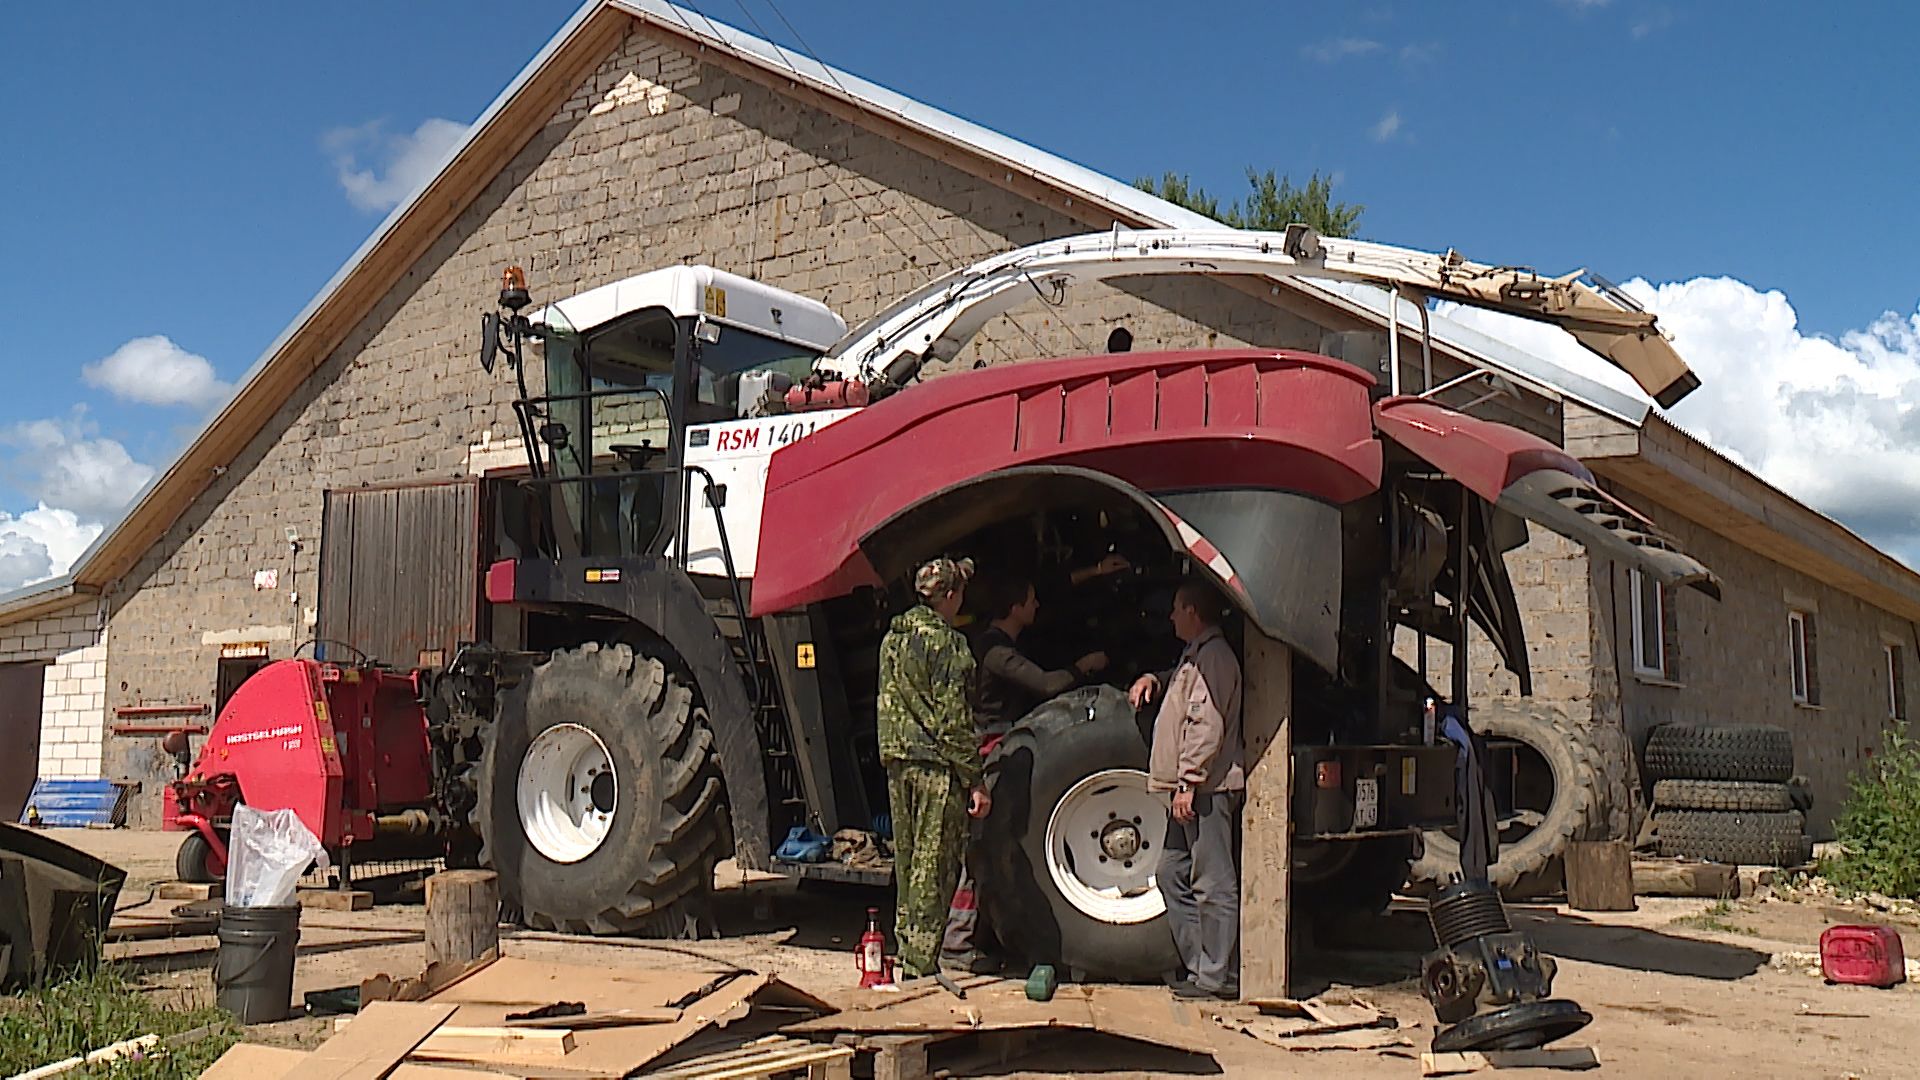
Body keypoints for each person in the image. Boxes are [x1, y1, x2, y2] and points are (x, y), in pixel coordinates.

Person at [940, 574, 1110, 971]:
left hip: (996, 744)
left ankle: (971, 939)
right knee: (978, 848)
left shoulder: (996, 645)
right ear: (1015, 607)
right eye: (1031, 599)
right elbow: (1046, 684)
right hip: (989, 747)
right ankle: (955, 945)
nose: (1036, 607)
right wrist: (1084, 666)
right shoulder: (996, 652)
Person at [877, 556, 992, 978]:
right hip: (935, 770)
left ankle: (907, 953)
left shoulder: (894, 637)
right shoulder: (948, 644)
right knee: (934, 868)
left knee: (907, 864)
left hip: (898, 762)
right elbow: (954, 720)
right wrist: (975, 779)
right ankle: (922, 965)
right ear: (949, 595)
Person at [1129, 579, 1244, 1000]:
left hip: (1206, 790)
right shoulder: (1195, 656)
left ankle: (1216, 977)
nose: (1172, 616)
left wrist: (1189, 782)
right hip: (1193, 790)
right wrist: (1156, 680)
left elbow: (1206, 725)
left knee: (1212, 881)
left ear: (1193, 612)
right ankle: (1200, 968)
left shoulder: (1214, 658)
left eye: (1177, 608)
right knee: (1171, 871)